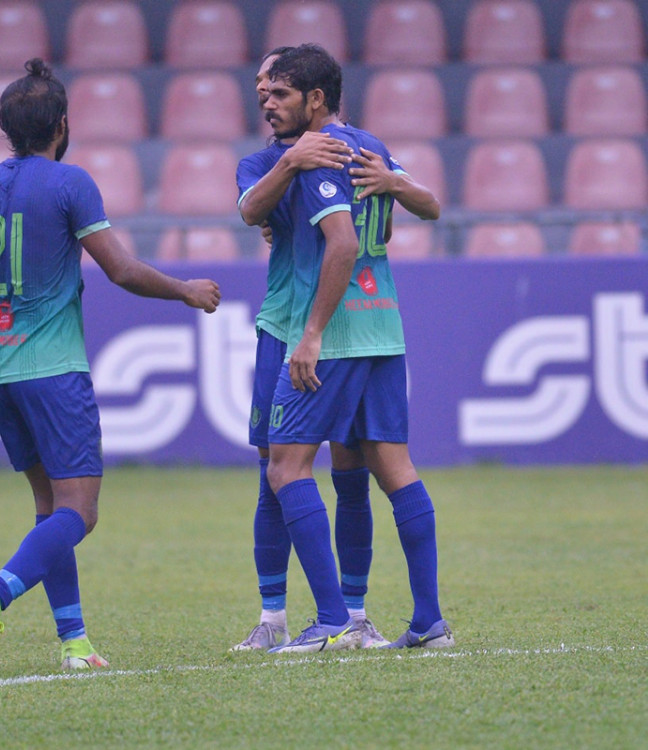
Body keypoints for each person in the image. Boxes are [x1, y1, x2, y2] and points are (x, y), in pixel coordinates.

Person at [0, 58, 220, 673]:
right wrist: (186, 289)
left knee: (51, 509)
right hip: (54, 369)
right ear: (62, 125)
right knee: (80, 512)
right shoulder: (70, 184)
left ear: (8, 128)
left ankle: (75, 644)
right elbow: (119, 269)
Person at [232, 49, 441, 651]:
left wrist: (314, 331)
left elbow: (344, 241)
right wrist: (291, 179)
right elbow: (254, 212)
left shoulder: (328, 152)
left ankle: (339, 618)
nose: (266, 99)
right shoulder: (283, 157)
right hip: (377, 325)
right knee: (377, 469)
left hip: (317, 326)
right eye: (261, 89)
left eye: (277, 89)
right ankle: (413, 620)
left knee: (287, 469)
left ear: (315, 97)